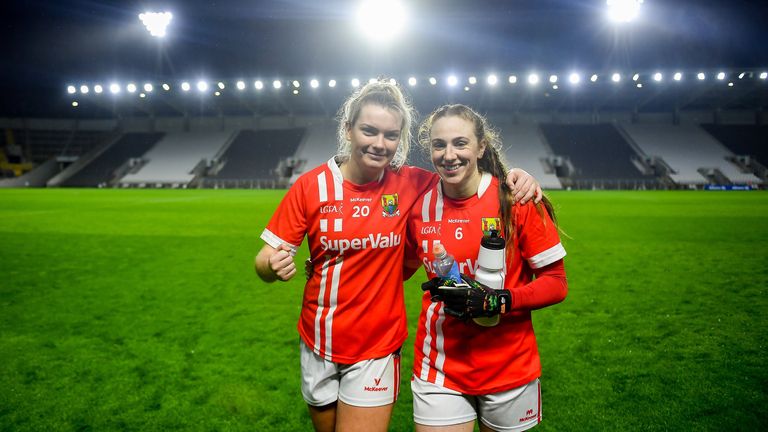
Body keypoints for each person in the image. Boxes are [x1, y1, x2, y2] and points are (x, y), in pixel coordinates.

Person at [254, 82, 542, 432]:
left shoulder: (412, 183)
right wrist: (271, 265)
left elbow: (465, 177)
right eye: (369, 131)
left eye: (390, 135)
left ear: (400, 139)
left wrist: (516, 177)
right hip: (318, 339)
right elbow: (265, 258)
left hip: (377, 345)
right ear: (348, 130)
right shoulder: (312, 186)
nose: (379, 143)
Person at [405, 104, 568, 432]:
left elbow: (556, 282)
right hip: (440, 365)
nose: (449, 155)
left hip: (510, 365)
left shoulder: (516, 200)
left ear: (481, 147)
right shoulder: (418, 207)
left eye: (460, 143)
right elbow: (393, 268)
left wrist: (500, 300)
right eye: (439, 145)